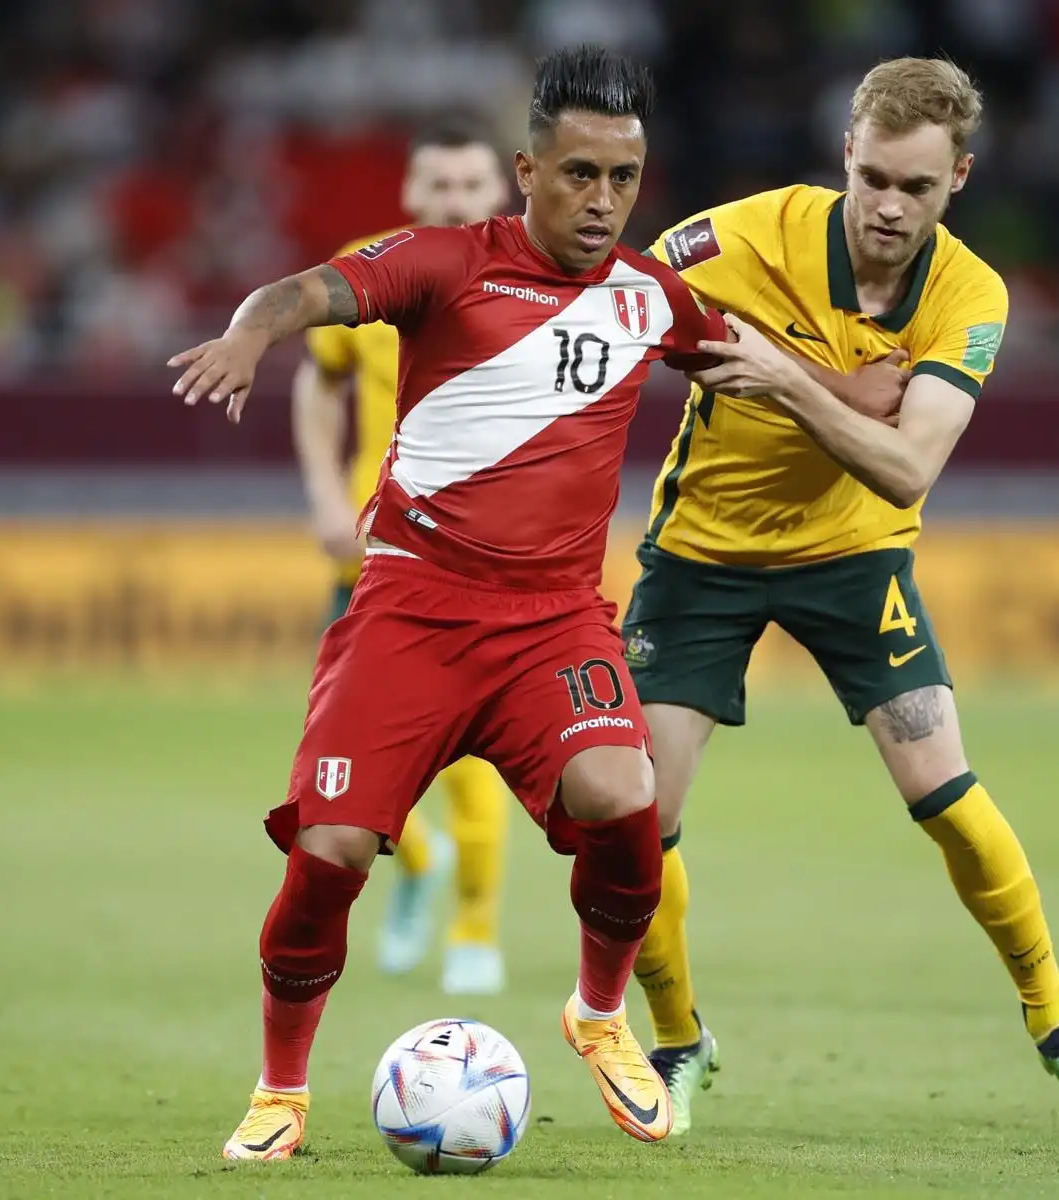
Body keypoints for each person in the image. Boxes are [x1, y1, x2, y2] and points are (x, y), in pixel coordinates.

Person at [168, 44, 728, 1159]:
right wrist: (247, 333)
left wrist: (862, 399)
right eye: (579, 174)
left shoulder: (651, 298)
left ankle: (600, 1014)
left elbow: (745, 360)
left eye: (623, 178)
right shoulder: (444, 263)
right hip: (412, 613)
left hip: (555, 622)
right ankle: (281, 1091)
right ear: (528, 170)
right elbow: (305, 292)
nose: (603, 199)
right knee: (327, 854)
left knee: (630, 804)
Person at [619, 56, 1059, 1134]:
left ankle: (1058, 1022)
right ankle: (677, 1042)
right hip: (702, 557)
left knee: (945, 795)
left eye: (917, 187)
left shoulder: (972, 295)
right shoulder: (740, 240)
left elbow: (907, 470)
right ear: (845, 162)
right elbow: (610, 302)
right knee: (635, 819)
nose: (890, 208)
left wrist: (780, 376)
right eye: (873, 181)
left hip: (858, 558)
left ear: (959, 177)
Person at [293, 121, 512, 996]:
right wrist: (321, 496)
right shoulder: (368, 269)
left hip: (480, 557)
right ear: (411, 196)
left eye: (471, 187)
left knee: (469, 754)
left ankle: (474, 932)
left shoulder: (531, 284)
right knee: (334, 750)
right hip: (374, 551)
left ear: (501, 193)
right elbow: (321, 376)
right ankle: (415, 857)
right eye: (440, 187)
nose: (456, 202)